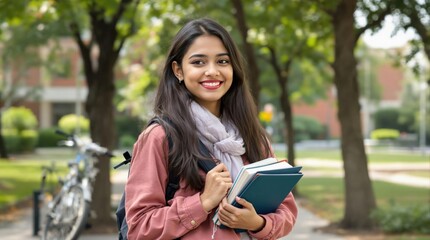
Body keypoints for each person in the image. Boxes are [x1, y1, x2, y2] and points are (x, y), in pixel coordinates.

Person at [125, 18, 298, 240]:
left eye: (223, 61)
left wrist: (257, 223)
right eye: (198, 62)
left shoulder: (253, 136)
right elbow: (139, 227)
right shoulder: (160, 137)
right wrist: (203, 202)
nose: (212, 71)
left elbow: (286, 210)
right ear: (178, 70)